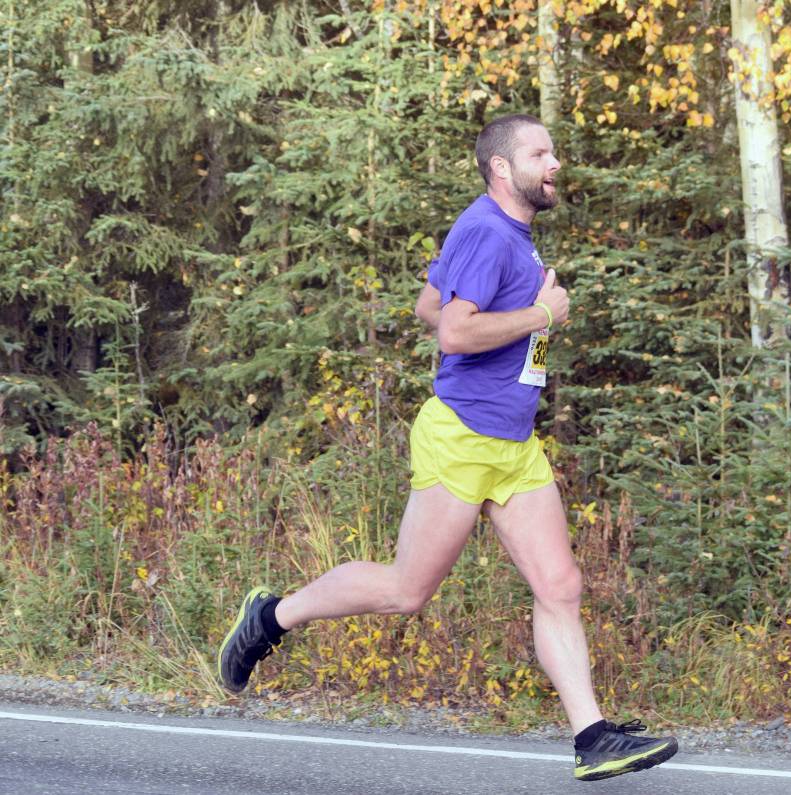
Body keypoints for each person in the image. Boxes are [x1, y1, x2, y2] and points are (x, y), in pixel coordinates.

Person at [216, 113, 678, 782]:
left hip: (514, 441)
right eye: (540, 153)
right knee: (406, 591)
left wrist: (532, 329)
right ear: (501, 168)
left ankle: (592, 737)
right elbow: (454, 335)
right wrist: (543, 317)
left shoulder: (511, 236)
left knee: (560, 584)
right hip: (462, 436)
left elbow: (429, 304)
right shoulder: (488, 231)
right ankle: (271, 617)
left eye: (555, 151)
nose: (556, 163)